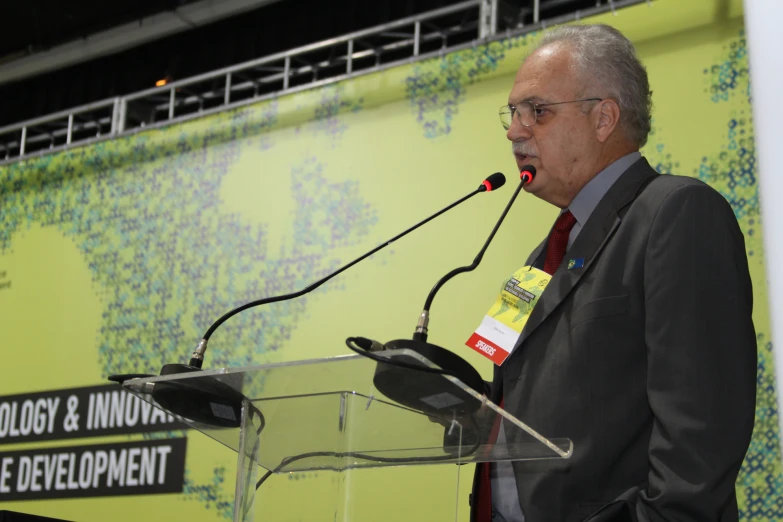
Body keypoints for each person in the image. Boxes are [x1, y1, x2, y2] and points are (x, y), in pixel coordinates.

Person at [470, 24, 757, 522]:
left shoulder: (678, 212)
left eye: (536, 111)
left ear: (603, 117)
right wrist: (448, 397)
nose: (515, 130)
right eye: (512, 114)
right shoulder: (538, 260)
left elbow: (700, 438)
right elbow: (506, 395)